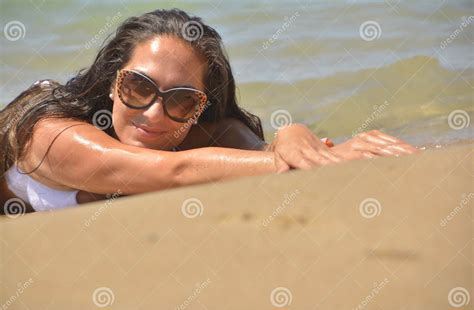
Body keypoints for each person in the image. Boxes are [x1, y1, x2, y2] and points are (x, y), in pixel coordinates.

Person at [0, 9, 417, 213]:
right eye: (138, 86)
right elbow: (174, 172)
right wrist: (334, 158)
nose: (155, 113)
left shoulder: (199, 134)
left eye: (182, 100)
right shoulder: (50, 135)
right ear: (113, 80)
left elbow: (259, 151)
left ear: (201, 109)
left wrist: (294, 132)